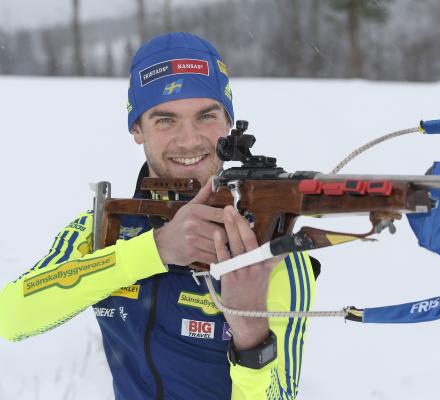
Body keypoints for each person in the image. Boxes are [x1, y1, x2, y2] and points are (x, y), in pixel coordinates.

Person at [0, 32, 316, 400]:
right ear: (137, 129)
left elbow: (279, 393)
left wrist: (250, 337)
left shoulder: (266, 247)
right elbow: (13, 316)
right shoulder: (103, 226)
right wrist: (155, 249)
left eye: (206, 116)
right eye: (165, 120)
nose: (189, 140)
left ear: (229, 124)